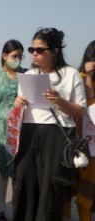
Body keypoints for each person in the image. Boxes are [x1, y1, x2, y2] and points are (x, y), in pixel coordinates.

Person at [12, 27, 86, 221]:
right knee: (24, 183)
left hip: (56, 134)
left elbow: (80, 111)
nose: (34, 54)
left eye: (40, 50)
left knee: (51, 187)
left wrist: (60, 101)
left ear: (55, 51)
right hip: (28, 131)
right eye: (32, 50)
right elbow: (19, 108)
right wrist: (17, 104)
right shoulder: (28, 74)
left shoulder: (70, 74)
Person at [0, 39, 27, 221]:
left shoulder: (27, 75)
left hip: (24, 129)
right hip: (0, 129)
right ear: (4, 56)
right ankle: (0, 211)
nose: (18, 59)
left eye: (20, 56)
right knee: (0, 173)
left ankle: (20, 208)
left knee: (21, 172)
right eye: (14, 56)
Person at [75, 40, 95, 221]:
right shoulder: (79, 77)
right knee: (86, 183)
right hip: (86, 140)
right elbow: (89, 103)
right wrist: (89, 75)